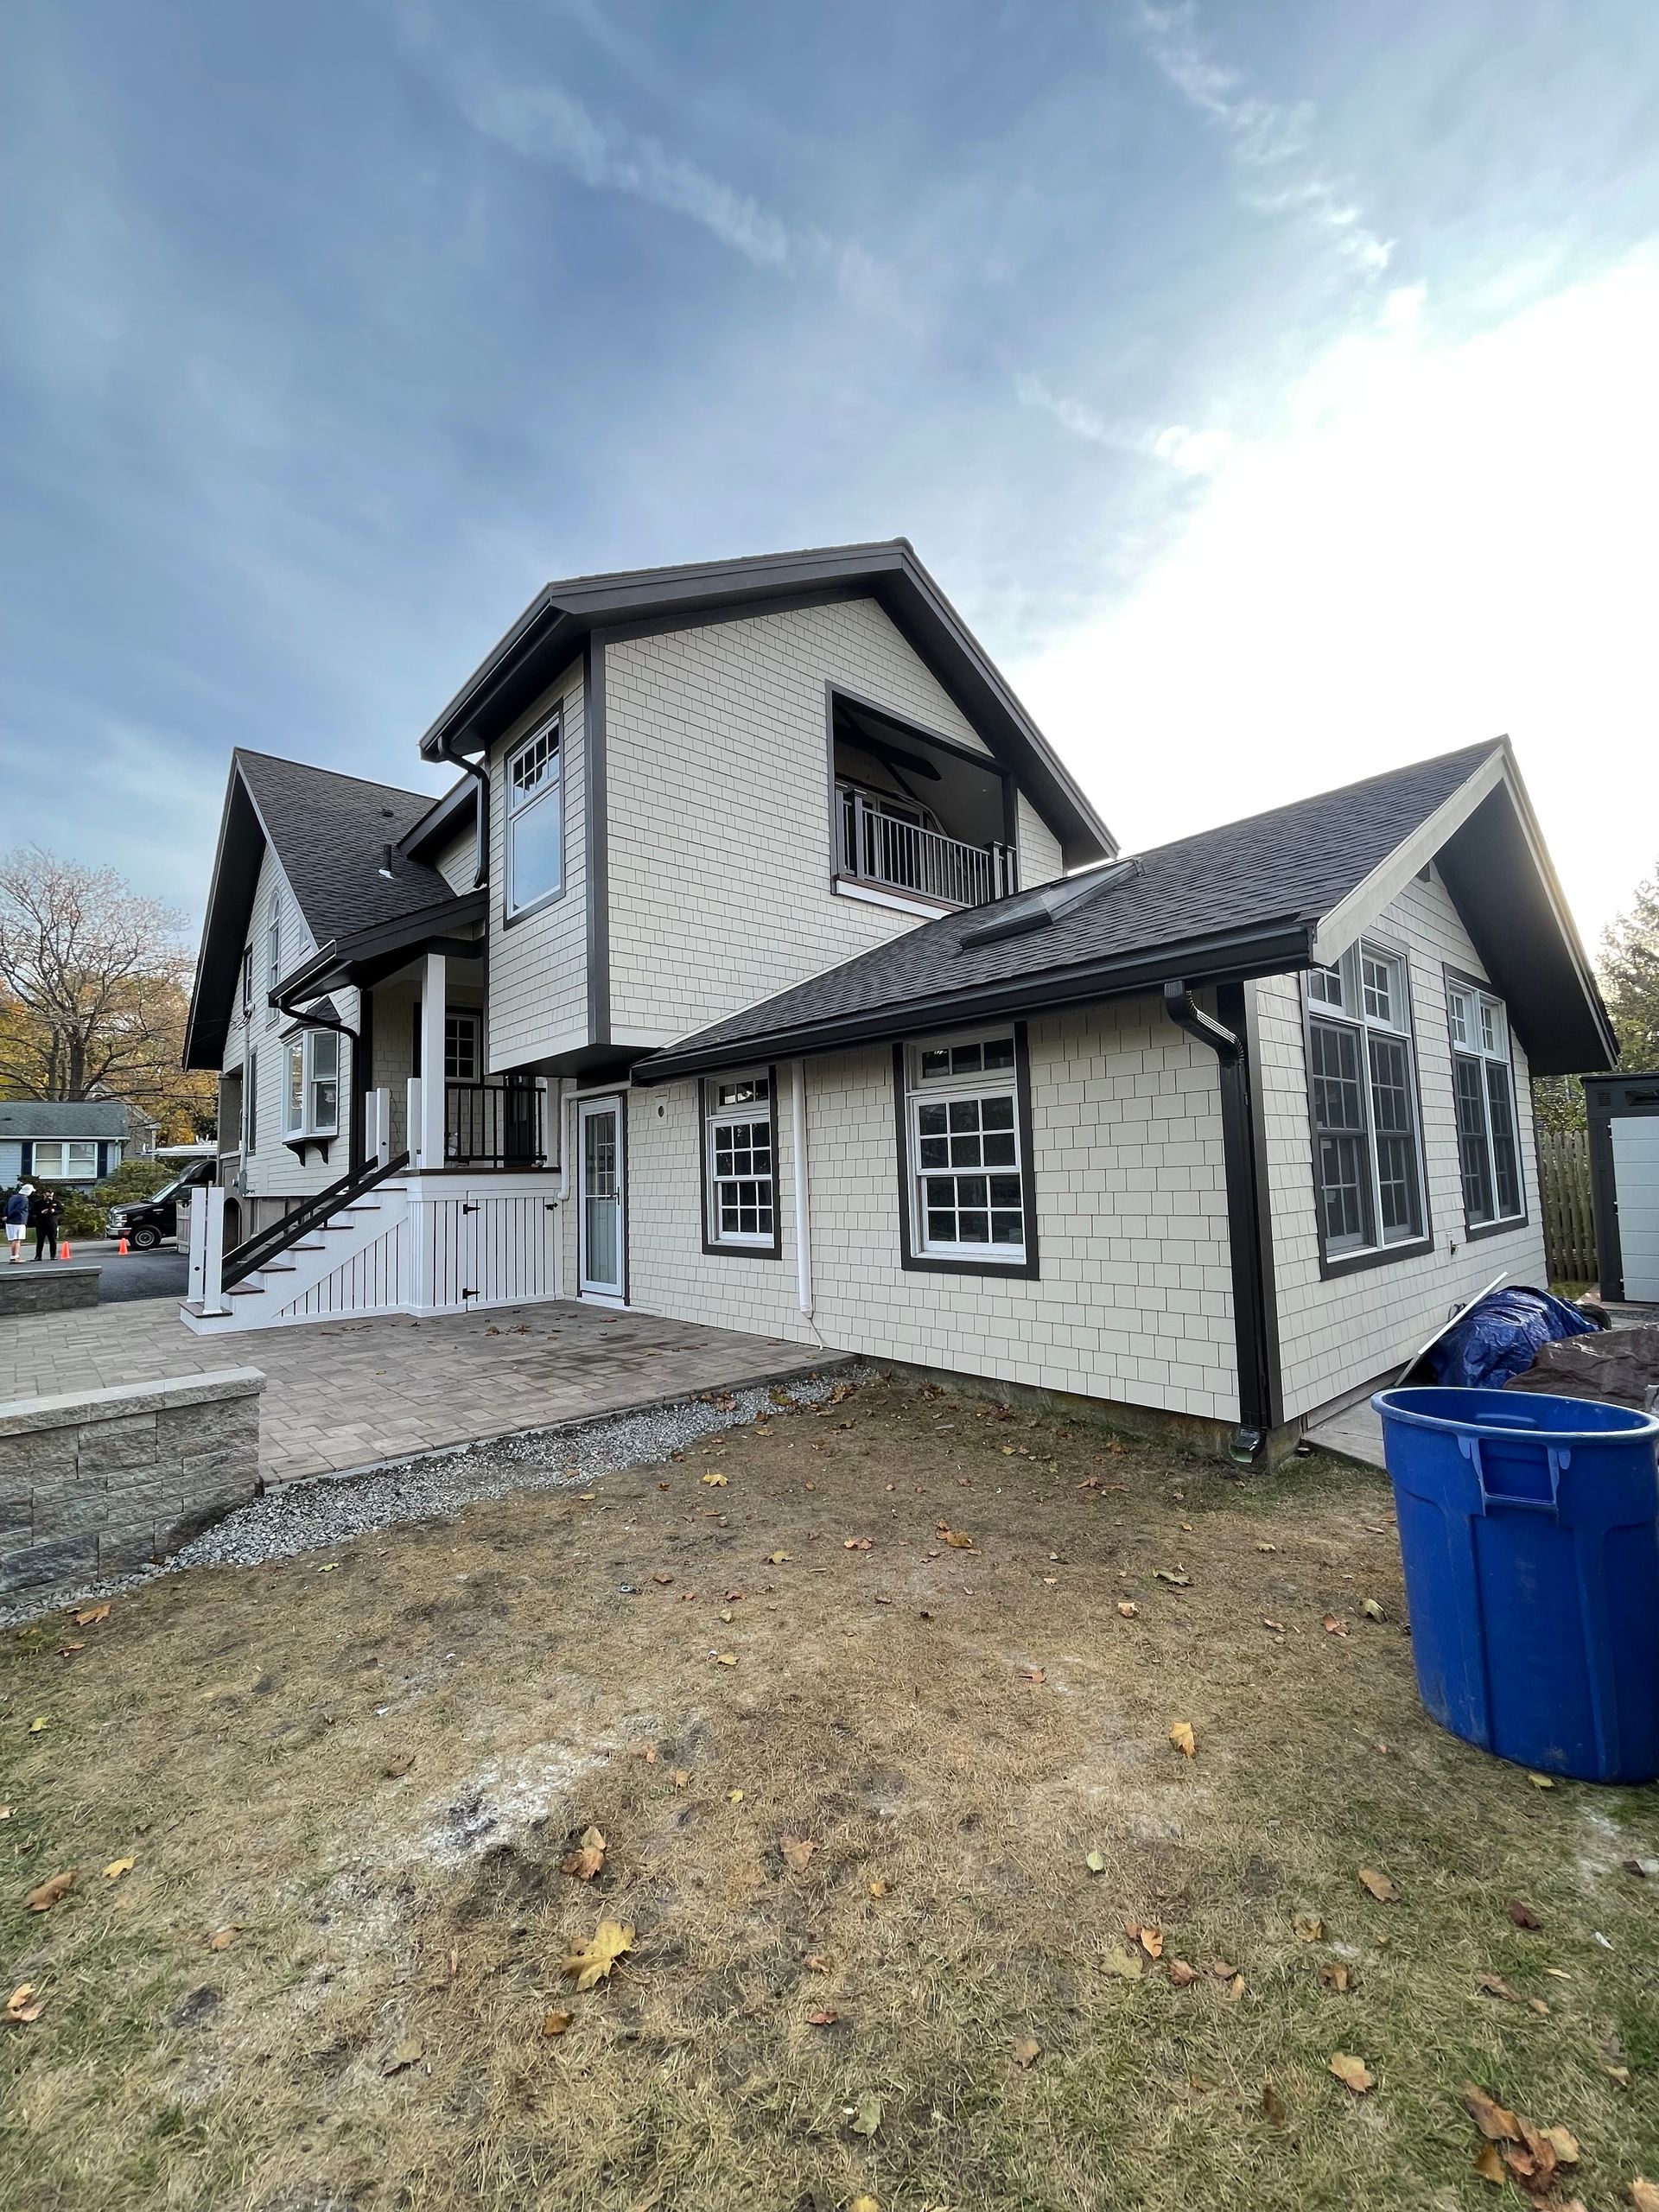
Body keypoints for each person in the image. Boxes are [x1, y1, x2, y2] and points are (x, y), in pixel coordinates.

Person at [33, 1185, 61, 1262]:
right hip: (41, 1223)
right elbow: (32, 1212)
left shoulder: (56, 1202)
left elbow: (61, 1211)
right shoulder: (38, 1203)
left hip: (52, 1223)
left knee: (53, 1240)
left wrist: (54, 1211)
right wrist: (41, 1212)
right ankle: (38, 1256)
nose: (49, 1198)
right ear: (44, 1195)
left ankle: (53, 1255)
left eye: (51, 1196)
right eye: (48, 1196)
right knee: (40, 1240)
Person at [4, 1181, 29, 1263]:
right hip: (18, 1221)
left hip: (10, 1222)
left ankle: (14, 1256)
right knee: (17, 1239)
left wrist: (7, 1216)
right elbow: (18, 1210)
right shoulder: (24, 1199)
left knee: (13, 1239)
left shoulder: (13, 1197)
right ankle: (15, 1257)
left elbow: (6, 1208)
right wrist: (10, 1216)